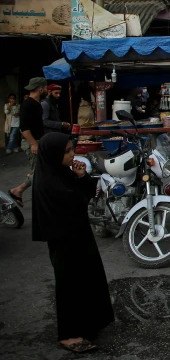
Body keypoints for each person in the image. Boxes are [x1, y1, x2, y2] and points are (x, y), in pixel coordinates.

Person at [32, 133, 114, 353]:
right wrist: (80, 184)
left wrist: (81, 176)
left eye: (71, 149)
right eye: (67, 151)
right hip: (64, 240)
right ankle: (68, 335)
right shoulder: (47, 183)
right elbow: (77, 202)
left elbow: (85, 194)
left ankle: (87, 324)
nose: (72, 155)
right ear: (54, 154)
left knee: (86, 279)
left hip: (78, 235)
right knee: (69, 285)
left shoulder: (61, 174)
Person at [8, 78, 48, 207]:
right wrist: (33, 144)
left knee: (42, 170)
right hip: (32, 141)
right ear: (40, 88)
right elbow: (24, 129)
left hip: (38, 140)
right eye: (45, 87)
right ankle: (17, 190)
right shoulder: (28, 104)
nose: (47, 90)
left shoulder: (37, 104)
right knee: (39, 173)